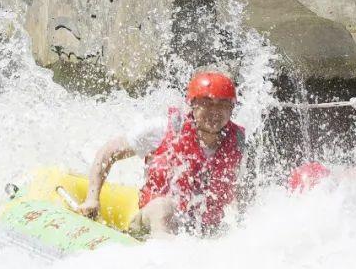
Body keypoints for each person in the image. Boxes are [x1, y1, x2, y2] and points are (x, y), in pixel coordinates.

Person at [77, 71, 246, 238]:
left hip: (203, 230)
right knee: (164, 207)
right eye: (207, 103)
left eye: (222, 104)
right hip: (152, 223)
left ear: (231, 108)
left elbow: (241, 194)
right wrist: (92, 199)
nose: (215, 111)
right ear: (192, 104)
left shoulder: (238, 142)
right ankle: (167, 259)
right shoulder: (163, 128)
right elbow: (107, 153)